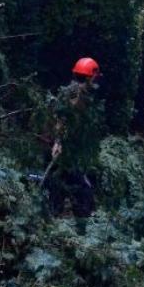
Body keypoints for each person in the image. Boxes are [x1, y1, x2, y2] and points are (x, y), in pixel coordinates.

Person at [46, 57, 102, 216]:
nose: (96, 81)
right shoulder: (74, 95)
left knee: (62, 185)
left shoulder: (77, 93)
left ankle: (56, 214)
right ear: (90, 77)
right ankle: (78, 219)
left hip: (71, 150)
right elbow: (62, 119)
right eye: (94, 77)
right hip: (64, 151)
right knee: (80, 189)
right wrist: (58, 142)